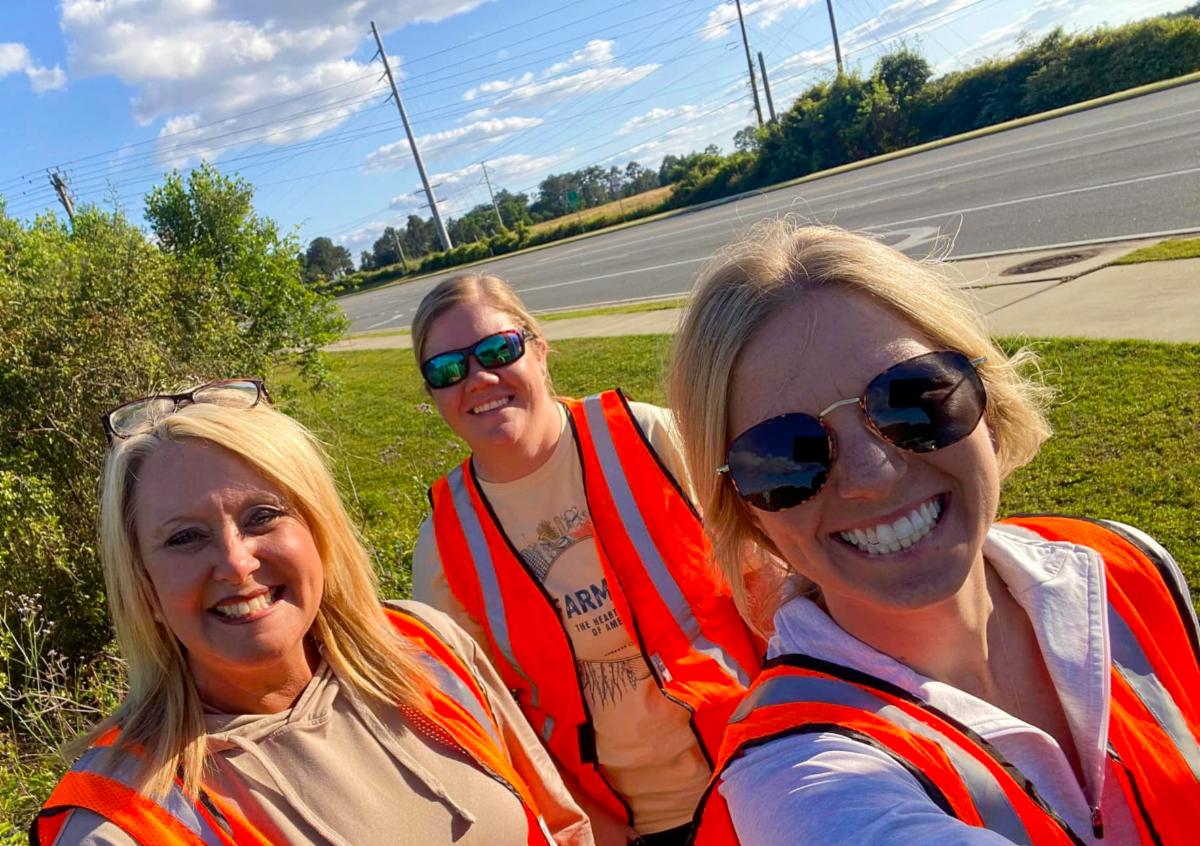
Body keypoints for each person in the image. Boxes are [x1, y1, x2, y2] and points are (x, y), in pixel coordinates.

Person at [668, 221, 1200, 845]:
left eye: (912, 398)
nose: (873, 475)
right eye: (787, 455)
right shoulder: (798, 776)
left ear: (987, 403)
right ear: (746, 513)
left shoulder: (1125, 562)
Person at [34, 380, 591, 846]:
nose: (236, 562)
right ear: (144, 586)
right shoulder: (121, 823)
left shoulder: (423, 645)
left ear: (318, 530)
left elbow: (560, 826)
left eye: (262, 515)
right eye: (184, 538)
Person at [410, 274, 764, 846]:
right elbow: (484, 717)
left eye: (497, 350)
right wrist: (580, 819)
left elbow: (769, 576)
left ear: (539, 350)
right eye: (447, 370)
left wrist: (799, 714)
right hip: (631, 824)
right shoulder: (445, 541)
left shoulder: (645, 436)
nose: (478, 378)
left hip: (760, 757)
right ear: (434, 396)